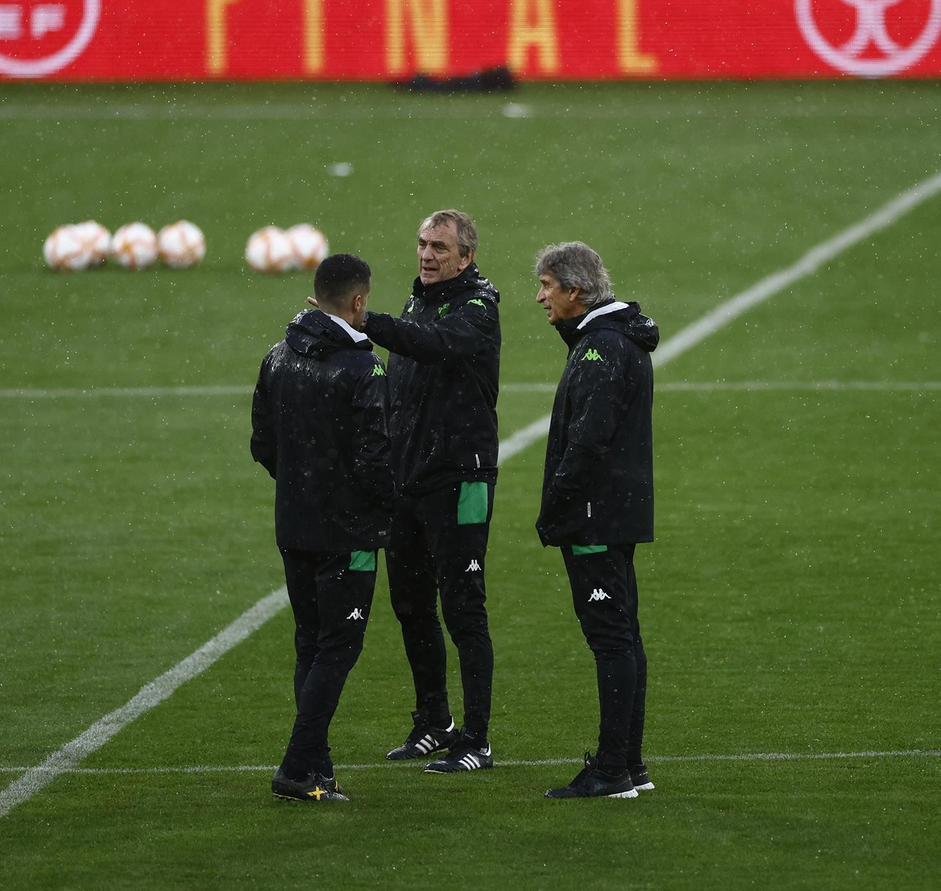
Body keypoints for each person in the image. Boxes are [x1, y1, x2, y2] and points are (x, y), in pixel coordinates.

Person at [251, 253, 397, 803]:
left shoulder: (276, 356)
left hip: (294, 524)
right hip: (349, 534)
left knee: (310, 643)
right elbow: (375, 461)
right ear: (359, 302)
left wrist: (302, 486)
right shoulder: (364, 368)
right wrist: (386, 510)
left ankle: (318, 768)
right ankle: (296, 767)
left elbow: (262, 444)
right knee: (338, 647)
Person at [364, 209, 502, 774]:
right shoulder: (418, 300)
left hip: (460, 479)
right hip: (407, 481)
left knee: (464, 610)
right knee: (411, 605)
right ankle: (433, 721)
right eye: (422, 244)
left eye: (440, 248)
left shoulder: (476, 308)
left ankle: (477, 739)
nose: (426, 255)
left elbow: (435, 346)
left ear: (465, 256)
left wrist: (363, 321)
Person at [532, 241, 660, 799]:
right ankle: (629, 765)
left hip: (594, 516)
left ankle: (613, 771)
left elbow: (587, 442)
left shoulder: (599, 351)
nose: (539, 297)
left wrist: (556, 505)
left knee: (611, 640)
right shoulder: (615, 342)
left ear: (574, 291)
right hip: (616, 512)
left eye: (546, 286)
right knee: (624, 637)